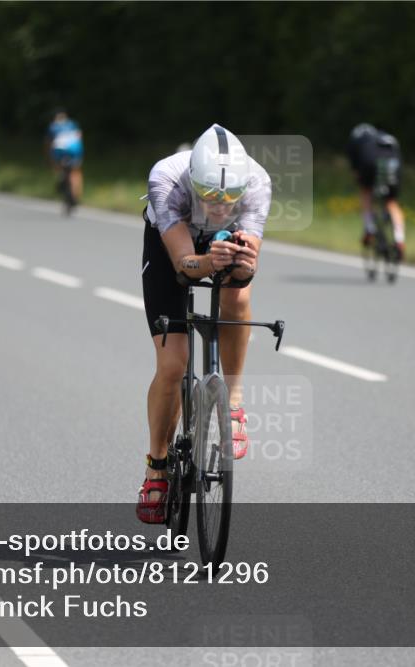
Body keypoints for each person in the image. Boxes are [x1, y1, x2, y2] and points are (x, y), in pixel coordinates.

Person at [137, 124, 272, 524]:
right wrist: (205, 262)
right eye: (211, 196)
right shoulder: (166, 179)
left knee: (239, 292)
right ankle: (156, 467)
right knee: (173, 364)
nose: (220, 206)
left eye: (230, 198)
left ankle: (232, 401)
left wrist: (243, 266)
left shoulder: (258, 183)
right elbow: (182, 263)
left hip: (222, 244)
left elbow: (249, 262)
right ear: (194, 183)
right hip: (171, 247)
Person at [346, 123, 406, 259]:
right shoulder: (386, 137)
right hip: (393, 164)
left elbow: (355, 170)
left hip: (369, 162)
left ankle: (369, 228)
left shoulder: (356, 141)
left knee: (365, 191)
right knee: (391, 202)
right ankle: (399, 239)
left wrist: (360, 180)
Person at [45, 110, 84, 206]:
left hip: (59, 150)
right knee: (76, 172)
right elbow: (79, 137)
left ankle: (61, 178)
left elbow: (48, 143)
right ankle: (76, 195)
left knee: (58, 166)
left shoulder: (53, 126)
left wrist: (50, 158)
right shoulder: (72, 124)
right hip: (75, 149)